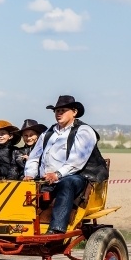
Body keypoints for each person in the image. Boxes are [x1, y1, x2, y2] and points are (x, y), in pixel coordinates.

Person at [23, 95, 109, 234]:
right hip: (48, 179)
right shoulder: (48, 133)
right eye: (57, 111)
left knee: (67, 182)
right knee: (22, 187)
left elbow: (77, 160)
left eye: (63, 110)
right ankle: (21, 225)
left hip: (79, 177)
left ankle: (57, 228)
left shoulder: (84, 131)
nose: (59, 114)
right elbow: (34, 157)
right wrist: (29, 175)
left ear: (74, 112)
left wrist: (57, 174)